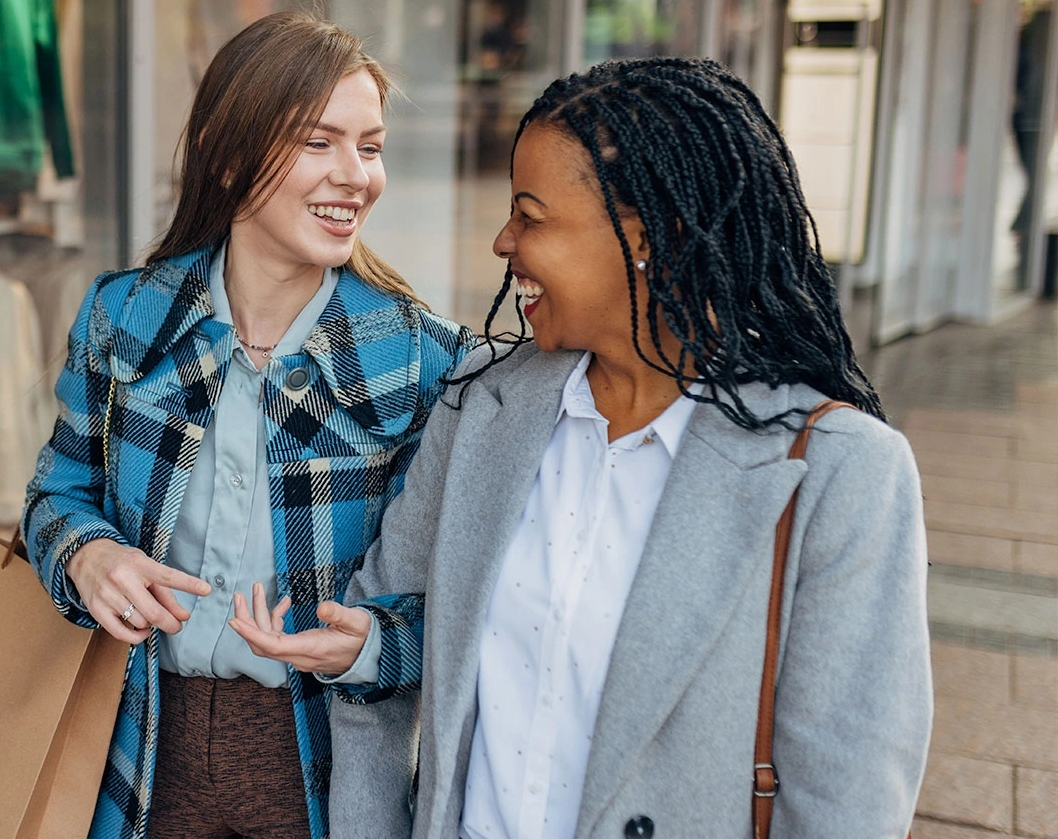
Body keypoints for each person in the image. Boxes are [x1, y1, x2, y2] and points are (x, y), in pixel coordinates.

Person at [229, 57, 931, 839]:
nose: (503, 240)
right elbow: (380, 646)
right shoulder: (480, 406)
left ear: (647, 238)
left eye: (530, 216)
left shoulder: (840, 473)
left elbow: (848, 803)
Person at [20, 11, 471, 839]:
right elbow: (56, 492)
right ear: (228, 156)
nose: (355, 176)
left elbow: (463, 606)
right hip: (136, 739)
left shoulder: (427, 360)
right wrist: (88, 553)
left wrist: (370, 647)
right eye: (318, 142)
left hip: (327, 760)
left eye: (369, 147)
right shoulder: (122, 317)